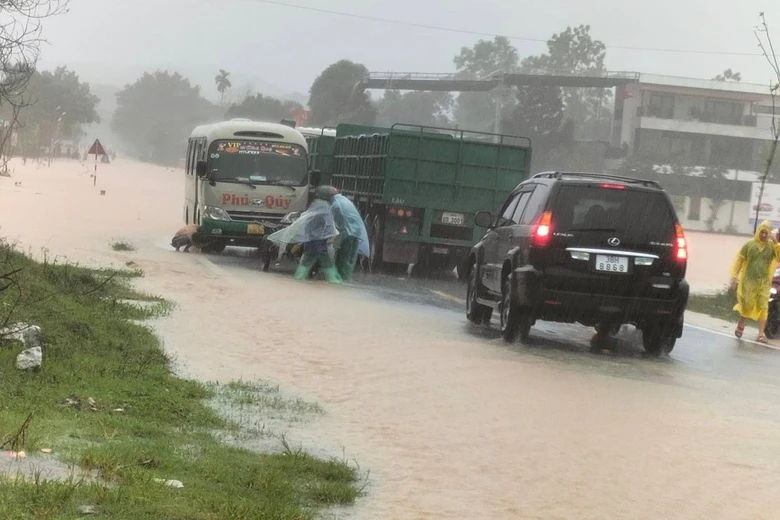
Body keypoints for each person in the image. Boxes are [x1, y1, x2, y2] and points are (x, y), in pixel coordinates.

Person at [267, 189, 342, 284]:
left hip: (310, 240)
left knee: (306, 260)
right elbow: (330, 226)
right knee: (326, 262)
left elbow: (306, 221)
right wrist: (333, 235)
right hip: (319, 242)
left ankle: (299, 279)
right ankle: (334, 281)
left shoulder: (315, 205)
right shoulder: (325, 208)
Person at [730, 220, 780, 343]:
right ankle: (741, 323)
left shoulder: (771, 246)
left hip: (764, 282)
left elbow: (779, 257)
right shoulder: (749, 245)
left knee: (763, 306)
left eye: (766, 233)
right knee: (747, 304)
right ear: (758, 231)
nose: (764, 235)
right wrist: (734, 276)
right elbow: (739, 260)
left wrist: (775, 242)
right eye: (762, 232)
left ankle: (761, 334)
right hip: (748, 281)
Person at [323, 186, 369, 282]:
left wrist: (334, 243)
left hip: (347, 234)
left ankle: (339, 283)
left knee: (342, 260)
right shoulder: (345, 201)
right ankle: (345, 282)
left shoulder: (335, 205)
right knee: (349, 260)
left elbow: (338, 226)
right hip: (356, 233)